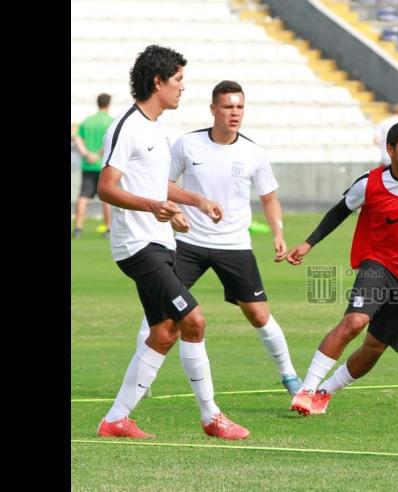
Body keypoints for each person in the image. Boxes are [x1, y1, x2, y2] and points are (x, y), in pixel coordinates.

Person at [95, 45, 249, 440]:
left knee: (164, 332)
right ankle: (211, 417)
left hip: (159, 243)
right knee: (194, 320)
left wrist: (195, 201)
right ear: (157, 81)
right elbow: (107, 188)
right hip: (137, 247)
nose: (183, 88)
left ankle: (116, 419)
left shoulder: (154, 128)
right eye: (178, 80)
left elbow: (152, 184)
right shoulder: (126, 126)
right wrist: (153, 207)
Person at [284, 120, 398, 416]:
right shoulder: (370, 183)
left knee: (375, 346)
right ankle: (306, 389)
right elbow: (339, 211)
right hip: (377, 265)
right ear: (390, 149)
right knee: (355, 321)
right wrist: (309, 244)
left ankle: (324, 394)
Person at [131, 80, 302, 401]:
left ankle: (291, 376)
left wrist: (278, 232)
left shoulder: (254, 153)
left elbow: (268, 197)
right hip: (188, 245)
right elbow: (161, 184)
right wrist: (176, 212)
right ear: (213, 109)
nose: (234, 113)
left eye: (239, 107)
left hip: (234, 246)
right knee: (160, 309)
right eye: (227, 106)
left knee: (258, 315)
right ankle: (143, 378)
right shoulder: (187, 145)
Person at [72, 93, 113, 239]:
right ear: (108, 104)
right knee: (107, 198)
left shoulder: (87, 121)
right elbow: (110, 142)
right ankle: (108, 229)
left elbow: (76, 138)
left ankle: (78, 228)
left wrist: (86, 154)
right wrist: (98, 155)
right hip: (104, 165)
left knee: (83, 196)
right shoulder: (111, 121)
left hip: (88, 165)